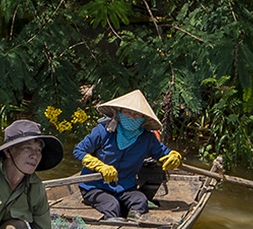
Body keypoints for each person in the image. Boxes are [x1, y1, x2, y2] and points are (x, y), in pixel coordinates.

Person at [73, 89, 182, 219]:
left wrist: (174, 157)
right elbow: (79, 150)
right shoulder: (103, 131)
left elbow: (164, 153)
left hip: (125, 187)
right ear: (118, 113)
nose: (131, 117)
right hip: (95, 186)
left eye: (137, 115)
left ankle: (134, 223)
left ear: (143, 119)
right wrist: (99, 166)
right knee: (111, 205)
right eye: (127, 112)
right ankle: (112, 223)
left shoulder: (147, 138)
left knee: (140, 201)